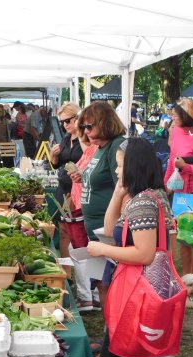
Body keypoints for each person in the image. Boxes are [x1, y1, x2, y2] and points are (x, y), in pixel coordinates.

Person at [87, 137, 173, 357]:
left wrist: (103, 250)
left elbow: (144, 254)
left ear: (134, 167)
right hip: (140, 288)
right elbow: (109, 228)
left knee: (124, 347)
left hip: (136, 290)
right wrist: (118, 193)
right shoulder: (149, 195)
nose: (116, 171)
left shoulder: (143, 202)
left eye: (120, 165)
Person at [69, 101, 126, 308]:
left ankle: (114, 334)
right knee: (102, 283)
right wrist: (82, 177)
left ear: (105, 123)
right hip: (95, 229)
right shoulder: (99, 148)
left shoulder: (116, 146)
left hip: (108, 231)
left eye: (90, 126)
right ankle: (108, 335)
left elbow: (121, 186)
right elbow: (99, 181)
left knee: (111, 283)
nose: (86, 131)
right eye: (83, 127)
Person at [163, 98, 193, 276]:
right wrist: (166, 184)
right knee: (182, 240)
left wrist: (185, 167)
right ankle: (185, 281)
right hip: (179, 194)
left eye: (176, 114)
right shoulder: (177, 132)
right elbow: (172, 160)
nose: (172, 116)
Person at [51, 103, 83, 280]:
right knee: (62, 230)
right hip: (62, 188)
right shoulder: (65, 138)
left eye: (68, 121)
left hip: (77, 191)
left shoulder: (85, 139)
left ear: (77, 118)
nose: (65, 125)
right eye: (62, 122)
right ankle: (67, 273)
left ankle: (84, 278)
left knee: (77, 232)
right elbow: (57, 164)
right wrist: (54, 156)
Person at [69, 127, 99, 312]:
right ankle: (92, 296)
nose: (86, 132)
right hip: (83, 206)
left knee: (81, 250)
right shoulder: (91, 149)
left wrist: (82, 177)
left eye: (89, 127)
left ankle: (88, 296)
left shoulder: (101, 151)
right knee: (84, 250)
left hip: (92, 210)